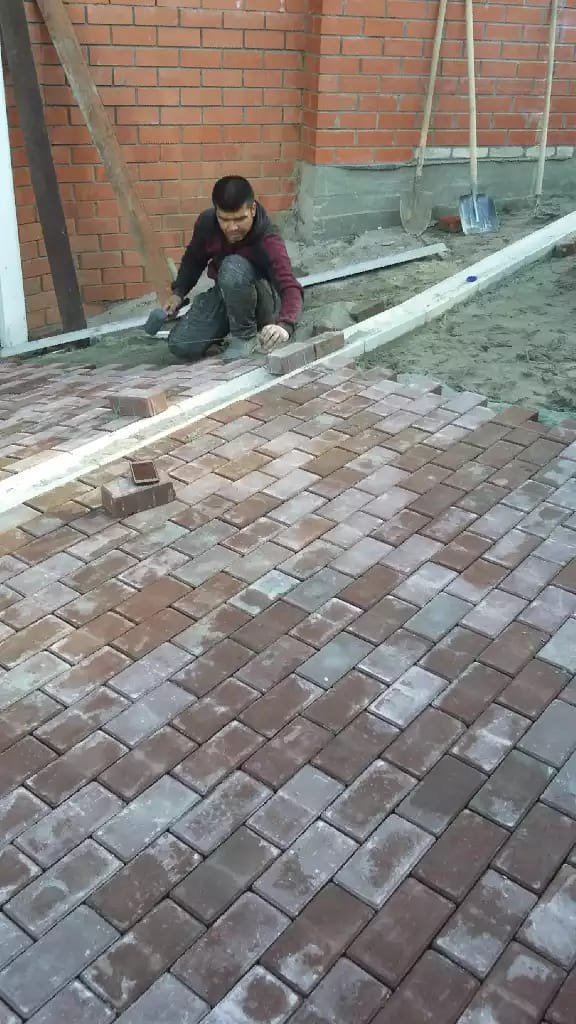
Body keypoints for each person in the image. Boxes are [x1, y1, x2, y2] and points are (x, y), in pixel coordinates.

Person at [164, 176, 303, 362]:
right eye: (224, 219)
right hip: (227, 293)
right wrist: (178, 293)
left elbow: (290, 286)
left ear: (252, 209)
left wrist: (285, 326)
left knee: (232, 267)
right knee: (181, 345)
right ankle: (224, 335)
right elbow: (193, 259)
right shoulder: (207, 224)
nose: (232, 227)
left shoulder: (268, 239)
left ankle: (245, 338)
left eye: (239, 219)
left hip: (263, 302)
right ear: (216, 212)